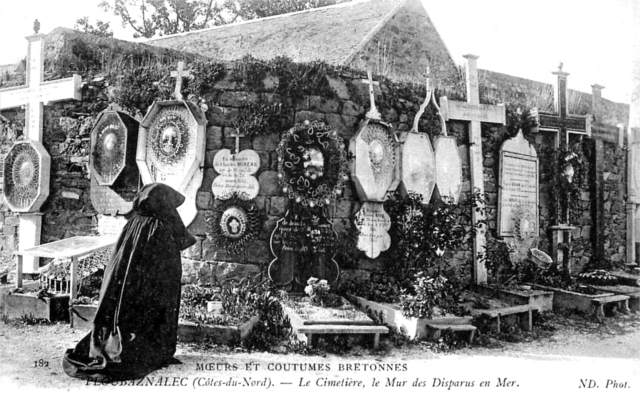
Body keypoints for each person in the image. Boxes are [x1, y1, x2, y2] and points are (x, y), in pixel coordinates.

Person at [63, 183, 196, 381]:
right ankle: (145, 348)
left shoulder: (134, 222)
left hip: (127, 283)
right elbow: (166, 264)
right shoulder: (159, 226)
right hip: (147, 286)